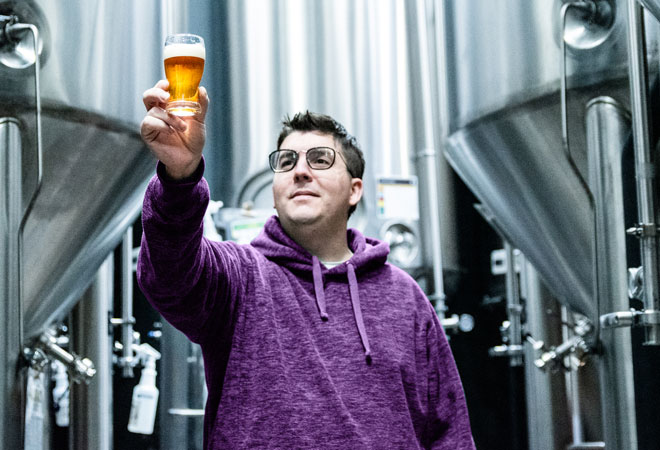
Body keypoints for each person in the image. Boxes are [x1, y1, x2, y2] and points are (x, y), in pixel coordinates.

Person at [136, 80, 476, 449]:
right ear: (274, 188)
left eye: (320, 159)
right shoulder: (242, 277)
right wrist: (179, 179)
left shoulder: (404, 297)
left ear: (354, 189)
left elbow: (449, 433)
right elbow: (170, 274)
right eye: (287, 162)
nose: (300, 171)